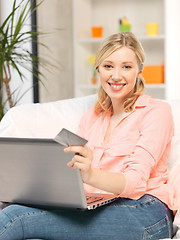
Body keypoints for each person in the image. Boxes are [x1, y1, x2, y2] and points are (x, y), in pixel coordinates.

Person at [0, 32, 175, 239]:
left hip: (145, 209)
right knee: (14, 207)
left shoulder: (156, 111)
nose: (116, 76)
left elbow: (135, 183)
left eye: (126, 67)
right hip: (99, 204)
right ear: (98, 70)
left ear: (139, 71)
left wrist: (90, 174)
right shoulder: (92, 118)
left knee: (14, 218)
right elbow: (77, 178)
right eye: (108, 66)